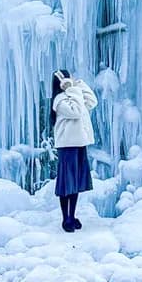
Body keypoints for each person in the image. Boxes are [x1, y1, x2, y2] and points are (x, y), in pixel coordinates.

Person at [50, 69, 97, 233]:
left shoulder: (73, 95)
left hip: (79, 144)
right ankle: (65, 218)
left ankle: (72, 215)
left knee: (75, 182)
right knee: (66, 183)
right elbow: (76, 112)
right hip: (67, 145)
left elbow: (91, 101)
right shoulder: (59, 101)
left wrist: (79, 85)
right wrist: (72, 90)